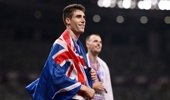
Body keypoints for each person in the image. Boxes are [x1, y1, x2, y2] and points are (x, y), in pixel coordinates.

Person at [26, 4, 95, 100]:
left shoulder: (77, 47)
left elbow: (73, 71)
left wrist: (88, 73)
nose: (83, 20)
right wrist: (84, 88)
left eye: (84, 17)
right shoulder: (62, 44)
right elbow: (55, 75)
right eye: (78, 17)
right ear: (68, 20)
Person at [85, 34, 114, 100]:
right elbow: (76, 85)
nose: (99, 44)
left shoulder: (104, 65)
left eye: (100, 42)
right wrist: (91, 86)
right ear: (87, 45)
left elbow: (108, 89)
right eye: (95, 41)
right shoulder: (82, 62)